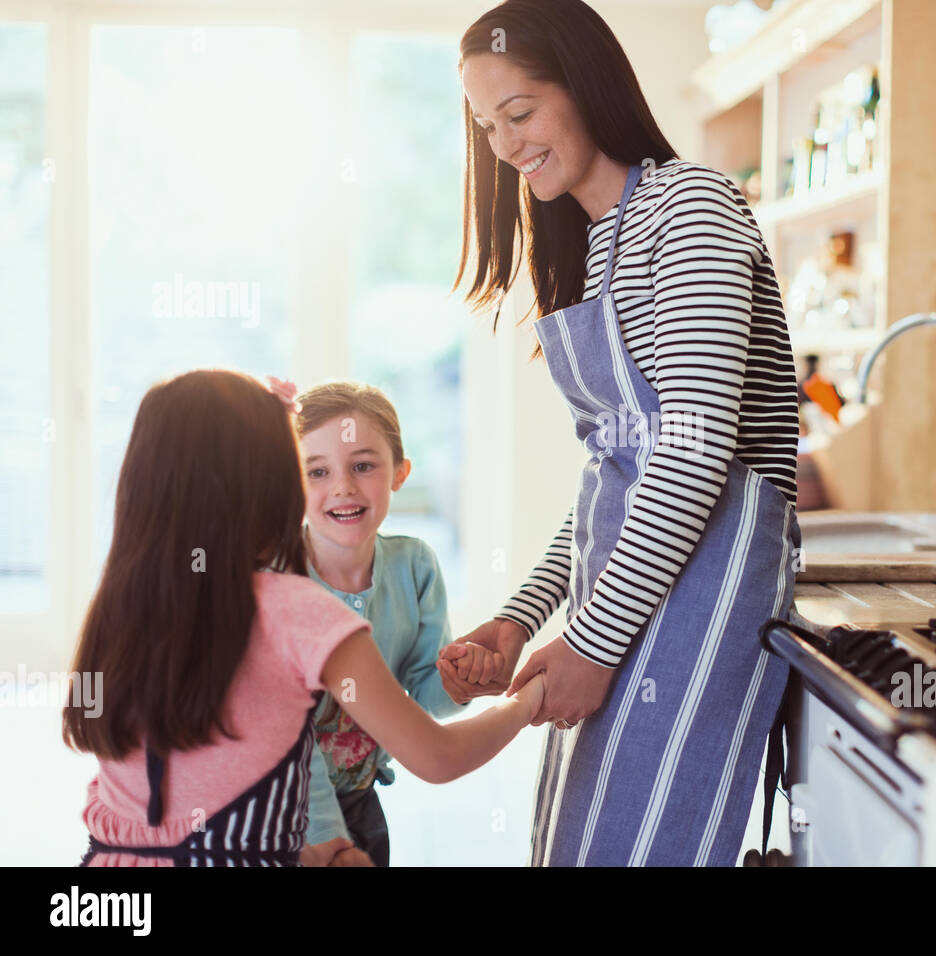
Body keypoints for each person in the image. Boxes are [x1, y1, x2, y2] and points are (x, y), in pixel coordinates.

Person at [445, 0, 801, 866]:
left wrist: (592, 643)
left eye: (519, 112)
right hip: (625, 600)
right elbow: (618, 471)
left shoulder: (691, 207)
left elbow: (692, 451)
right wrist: (525, 616)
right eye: (487, 126)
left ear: (585, 83)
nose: (504, 145)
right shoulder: (585, 244)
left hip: (705, 601)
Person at [64, 369, 542, 866]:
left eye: (362, 465)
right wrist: (529, 700)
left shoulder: (122, 605)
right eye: (306, 468)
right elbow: (436, 757)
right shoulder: (295, 609)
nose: (339, 486)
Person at [282, 379, 500, 867]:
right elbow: (277, 732)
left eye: (363, 466)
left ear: (400, 473)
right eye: (317, 471)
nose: (343, 486)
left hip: (361, 805)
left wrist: (461, 683)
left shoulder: (415, 566)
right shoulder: (278, 576)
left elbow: (426, 695)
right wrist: (326, 838)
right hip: (282, 813)